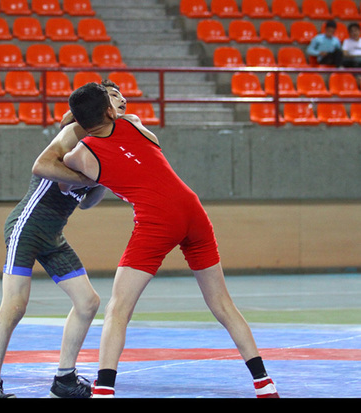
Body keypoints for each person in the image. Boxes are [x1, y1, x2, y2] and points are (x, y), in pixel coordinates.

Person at [36, 83, 280, 398]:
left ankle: (104, 389)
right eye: (114, 98)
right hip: (193, 210)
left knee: (119, 308)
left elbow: (45, 168)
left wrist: (85, 167)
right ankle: (264, 382)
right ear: (110, 111)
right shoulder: (133, 126)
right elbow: (130, 134)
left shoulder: (80, 154)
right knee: (222, 303)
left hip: (157, 219)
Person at [0, 81, 125, 399]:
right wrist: (87, 178)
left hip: (52, 234)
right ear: (102, 107)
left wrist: (104, 182)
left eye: (123, 97)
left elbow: (85, 202)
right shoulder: (74, 132)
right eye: (115, 96)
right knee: (14, 307)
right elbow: (41, 165)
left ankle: (65, 379)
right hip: (26, 227)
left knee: (88, 303)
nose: (122, 101)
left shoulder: (106, 146)